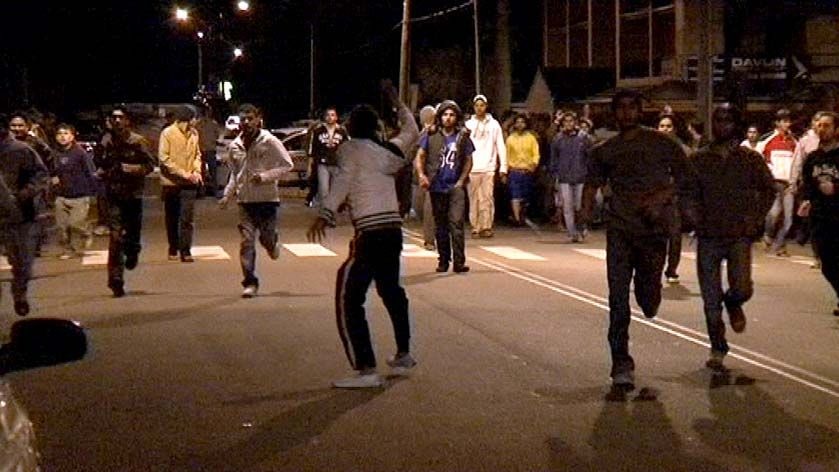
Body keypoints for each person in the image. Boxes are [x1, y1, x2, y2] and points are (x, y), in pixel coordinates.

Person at [580, 90, 696, 391]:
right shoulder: (604, 149)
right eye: (621, 109)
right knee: (617, 299)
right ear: (614, 113)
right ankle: (621, 362)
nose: (627, 114)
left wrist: (662, 198)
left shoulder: (662, 143)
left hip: (652, 231)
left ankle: (652, 291)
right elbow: (591, 184)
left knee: (647, 300)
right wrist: (584, 212)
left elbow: (685, 178)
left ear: (640, 111)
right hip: (619, 230)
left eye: (632, 108)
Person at [307, 85, 419, 389]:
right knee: (391, 290)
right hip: (393, 230)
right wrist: (398, 102)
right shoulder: (389, 152)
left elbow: (342, 182)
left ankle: (366, 368)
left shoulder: (350, 150)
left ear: (351, 128)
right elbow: (411, 129)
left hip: (369, 232)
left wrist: (325, 213)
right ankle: (404, 352)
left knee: (349, 297)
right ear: (377, 127)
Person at [692, 105, 776, 371]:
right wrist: (693, 216)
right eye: (717, 120)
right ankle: (718, 346)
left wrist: (756, 218)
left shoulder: (749, 159)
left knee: (742, 288)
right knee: (710, 301)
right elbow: (685, 192)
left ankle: (734, 303)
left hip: (739, 235)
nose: (722, 125)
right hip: (708, 236)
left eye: (728, 120)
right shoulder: (700, 159)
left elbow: (768, 190)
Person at [219, 103, 293, 298]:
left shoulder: (269, 140)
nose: (246, 122)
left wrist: (265, 176)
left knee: (266, 239)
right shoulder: (235, 146)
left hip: (267, 200)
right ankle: (250, 282)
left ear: (258, 119)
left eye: (250, 118)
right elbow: (235, 174)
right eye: (243, 119)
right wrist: (227, 195)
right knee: (246, 242)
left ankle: (272, 243)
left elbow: (287, 164)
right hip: (245, 201)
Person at [99, 106, 156, 297]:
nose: (116, 121)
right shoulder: (106, 141)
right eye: (113, 117)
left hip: (133, 195)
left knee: (132, 236)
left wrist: (134, 169)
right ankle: (115, 280)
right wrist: (101, 173)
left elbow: (150, 164)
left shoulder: (137, 141)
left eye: (120, 118)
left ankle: (133, 251)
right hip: (113, 194)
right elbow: (100, 163)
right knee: (115, 238)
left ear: (127, 121)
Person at [416, 100, 474, 274]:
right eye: (445, 115)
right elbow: (420, 156)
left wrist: (461, 180)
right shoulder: (431, 135)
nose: (448, 118)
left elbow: (469, 160)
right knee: (440, 225)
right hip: (436, 185)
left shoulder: (462, 137)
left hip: (455, 186)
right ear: (439, 117)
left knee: (456, 223)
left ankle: (459, 261)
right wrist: (421, 175)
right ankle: (443, 260)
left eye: (452, 115)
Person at [0, 114, 49, 315]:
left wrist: (24, 195)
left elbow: (40, 175)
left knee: (21, 263)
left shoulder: (21, 150)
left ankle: (19, 294)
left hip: (18, 216)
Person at [798, 111, 839, 317]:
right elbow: (807, 182)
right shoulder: (813, 158)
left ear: (836, 130)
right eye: (819, 125)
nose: (822, 129)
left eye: (827, 126)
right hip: (820, 216)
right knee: (827, 263)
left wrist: (835, 188)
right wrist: (805, 200)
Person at [158, 106, 203, 263]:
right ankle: (173, 247)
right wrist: (184, 174)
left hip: (190, 183)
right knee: (172, 217)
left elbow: (198, 154)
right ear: (188, 118)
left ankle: (186, 250)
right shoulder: (168, 133)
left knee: (187, 218)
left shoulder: (194, 134)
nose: (197, 121)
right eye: (195, 118)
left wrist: (197, 171)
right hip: (171, 183)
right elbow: (164, 159)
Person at [51, 124, 97, 259]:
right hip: (61, 195)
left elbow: (91, 172)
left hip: (80, 195)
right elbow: (51, 170)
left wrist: (94, 190)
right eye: (59, 134)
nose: (62, 136)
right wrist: (53, 179)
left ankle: (86, 232)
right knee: (62, 227)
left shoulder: (80, 153)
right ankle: (67, 249)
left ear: (72, 136)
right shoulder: (55, 153)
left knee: (75, 223)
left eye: (66, 133)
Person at [756, 108, 798, 257]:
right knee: (773, 214)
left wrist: (795, 181)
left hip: (789, 184)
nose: (788, 124)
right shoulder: (767, 140)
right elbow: (757, 158)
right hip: (774, 183)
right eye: (785, 121)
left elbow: (797, 162)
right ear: (777, 122)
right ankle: (767, 236)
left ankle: (780, 246)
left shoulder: (794, 141)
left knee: (788, 219)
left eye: (789, 121)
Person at [657, 113, 693, 284]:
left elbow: (689, 176)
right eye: (662, 126)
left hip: (674, 199)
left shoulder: (683, 150)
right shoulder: (649, 148)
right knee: (654, 237)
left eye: (668, 126)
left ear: (675, 129)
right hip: (653, 199)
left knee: (674, 235)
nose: (665, 129)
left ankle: (672, 269)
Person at [465, 94, 507, 238]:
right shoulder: (468, 125)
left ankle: (486, 226)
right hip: (472, 167)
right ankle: (475, 226)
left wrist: (503, 167)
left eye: (482, 105)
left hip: (488, 166)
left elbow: (500, 145)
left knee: (487, 197)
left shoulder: (494, 124)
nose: (479, 108)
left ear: (486, 106)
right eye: (477, 105)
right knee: (474, 198)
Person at [550, 111, 591, 242]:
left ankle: (581, 227)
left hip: (581, 176)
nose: (568, 124)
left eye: (571, 121)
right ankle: (572, 232)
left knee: (579, 206)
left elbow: (590, 157)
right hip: (564, 177)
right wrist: (554, 175)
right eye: (566, 122)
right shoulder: (558, 139)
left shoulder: (583, 138)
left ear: (575, 123)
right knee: (567, 207)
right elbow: (554, 159)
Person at [308, 107, 349, 207]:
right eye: (328, 115)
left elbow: (348, 147)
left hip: (337, 163)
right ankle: (325, 210)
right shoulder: (318, 131)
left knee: (336, 189)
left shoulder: (342, 131)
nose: (330, 117)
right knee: (324, 189)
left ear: (336, 117)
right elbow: (312, 150)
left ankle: (333, 209)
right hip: (323, 163)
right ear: (324, 117)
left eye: (332, 115)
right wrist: (309, 166)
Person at [505, 114, 540, 226]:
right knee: (515, 195)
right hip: (514, 171)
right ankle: (516, 219)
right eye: (518, 122)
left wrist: (534, 165)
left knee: (525, 196)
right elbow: (506, 155)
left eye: (522, 122)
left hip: (527, 171)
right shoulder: (510, 139)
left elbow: (536, 154)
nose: (520, 124)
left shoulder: (531, 138)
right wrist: (505, 171)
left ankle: (522, 214)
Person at [415, 104, 438, 250]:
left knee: (430, 208)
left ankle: (430, 239)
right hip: (420, 176)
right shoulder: (422, 134)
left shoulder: (438, 133)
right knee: (420, 207)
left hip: (435, 176)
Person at [196, 107, 221, 198]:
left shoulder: (197, 124)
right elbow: (217, 136)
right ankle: (214, 191)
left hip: (201, 150)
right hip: (210, 149)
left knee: (201, 172)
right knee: (213, 172)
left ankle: (201, 192)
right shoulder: (213, 124)